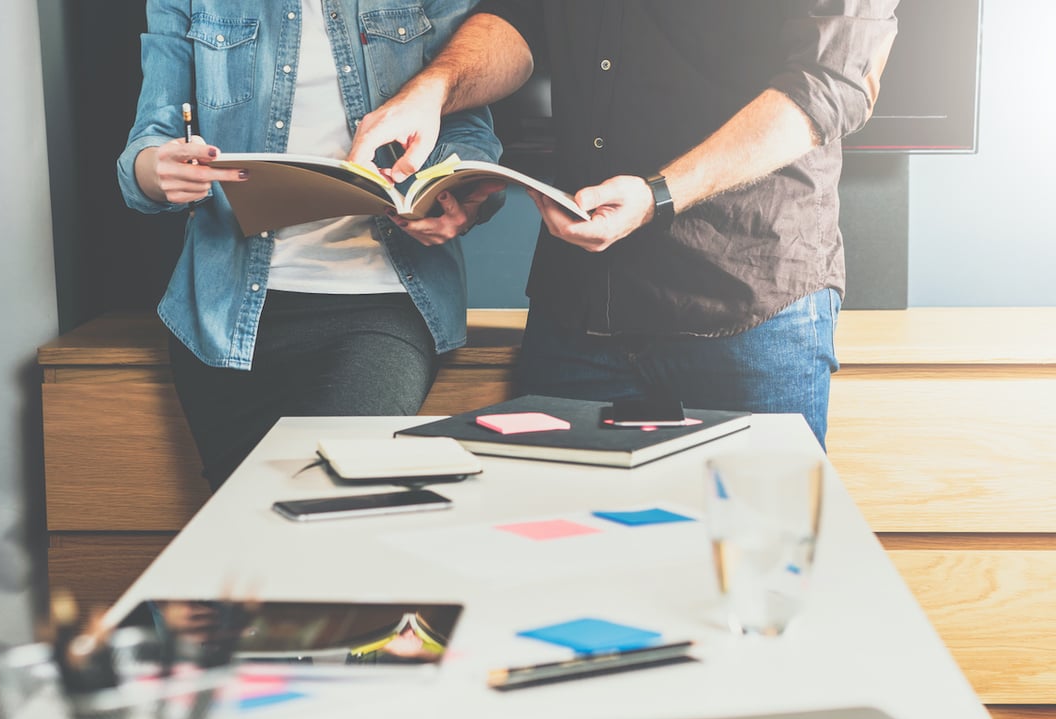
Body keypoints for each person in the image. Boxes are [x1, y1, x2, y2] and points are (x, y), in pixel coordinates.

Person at [349, 2, 899, 448]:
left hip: (747, 309)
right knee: (561, 562)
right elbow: (520, 18)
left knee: (760, 568)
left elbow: (833, 81)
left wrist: (659, 194)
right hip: (578, 309)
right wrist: (433, 89)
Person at [117, 0, 503, 490]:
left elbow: (468, 126)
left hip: (381, 306)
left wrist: (447, 190)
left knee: (333, 501)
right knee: (248, 523)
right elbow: (149, 140)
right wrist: (157, 169)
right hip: (227, 316)